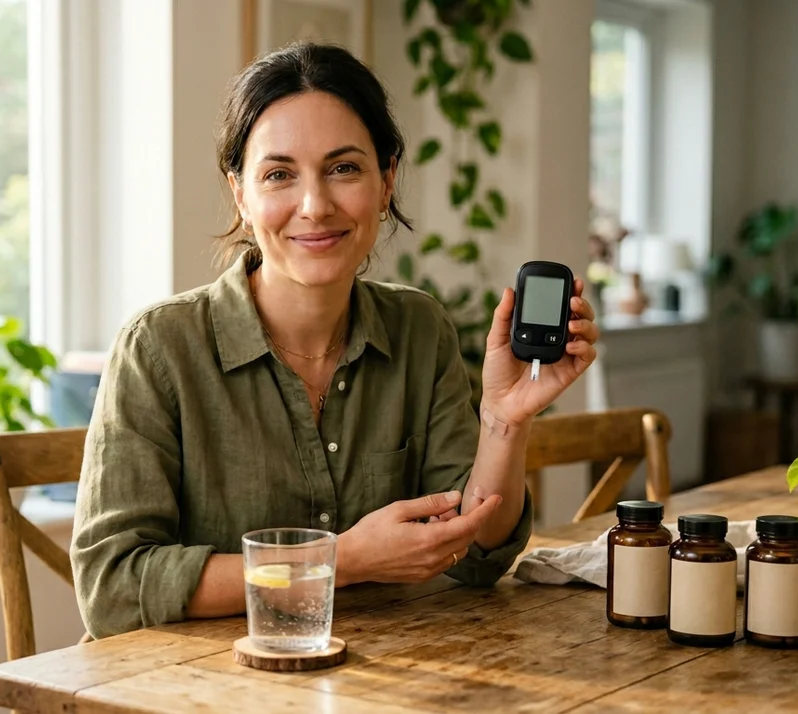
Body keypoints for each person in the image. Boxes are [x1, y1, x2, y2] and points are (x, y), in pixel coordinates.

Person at [70, 42, 599, 639]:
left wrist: (504, 419)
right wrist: (338, 561)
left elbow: (479, 558)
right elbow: (112, 588)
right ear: (241, 193)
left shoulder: (418, 328)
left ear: (387, 179)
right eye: (278, 174)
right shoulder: (158, 348)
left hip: (378, 680)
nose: (315, 206)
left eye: (344, 168)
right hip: (183, 691)